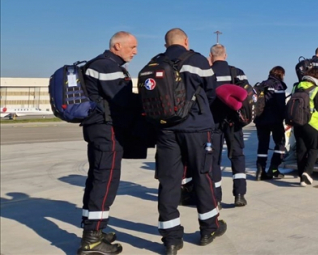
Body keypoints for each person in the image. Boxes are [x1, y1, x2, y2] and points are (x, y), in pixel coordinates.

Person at [154, 28, 226, 254]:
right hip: (196, 128)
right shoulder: (196, 60)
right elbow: (212, 92)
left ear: (166, 43)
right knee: (202, 176)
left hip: (166, 130)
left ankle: (172, 237)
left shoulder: (156, 62)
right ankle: (208, 228)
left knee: (169, 181)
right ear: (186, 41)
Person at [78, 31, 139, 255]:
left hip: (98, 128)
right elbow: (123, 99)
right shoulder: (107, 66)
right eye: (131, 47)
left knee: (97, 177)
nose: (135, 51)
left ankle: (93, 229)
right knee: (106, 180)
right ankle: (92, 239)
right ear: (117, 46)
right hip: (106, 130)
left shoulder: (99, 64)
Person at [208, 43, 248, 207]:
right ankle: (239, 195)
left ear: (211, 56)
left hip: (213, 122)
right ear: (225, 55)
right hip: (234, 123)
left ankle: (216, 198)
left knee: (214, 160)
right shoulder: (237, 73)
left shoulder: (207, 73)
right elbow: (246, 96)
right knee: (237, 156)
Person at [291, 67, 318, 187]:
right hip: (312, 123)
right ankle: (307, 172)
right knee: (313, 148)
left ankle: (301, 177)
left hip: (297, 122)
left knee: (301, 150)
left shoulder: (296, 86)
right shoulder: (316, 88)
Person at [255, 66, 288, 180]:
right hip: (275, 120)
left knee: (262, 145)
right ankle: (273, 169)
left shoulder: (261, 85)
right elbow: (280, 105)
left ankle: (260, 170)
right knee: (280, 143)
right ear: (281, 74)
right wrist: (285, 117)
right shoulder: (278, 86)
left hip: (260, 119)